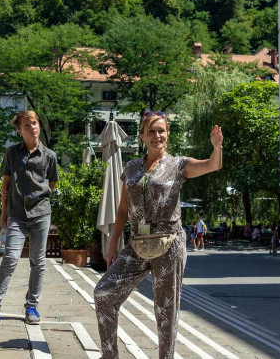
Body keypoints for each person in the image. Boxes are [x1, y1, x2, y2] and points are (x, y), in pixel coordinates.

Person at [94, 113, 223, 359]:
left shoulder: (179, 165)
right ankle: (109, 355)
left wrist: (217, 147)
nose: (157, 136)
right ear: (143, 136)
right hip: (136, 243)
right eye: (151, 131)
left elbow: (212, 165)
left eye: (161, 131)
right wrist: (112, 245)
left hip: (169, 243)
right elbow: (122, 210)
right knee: (104, 292)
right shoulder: (131, 167)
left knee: (166, 309)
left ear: (168, 134)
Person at [0, 111, 58, 327]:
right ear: (19, 131)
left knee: (38, 262)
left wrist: (39, 199)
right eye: (27, 125)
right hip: (16, 214)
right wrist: (3, 211)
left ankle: (32, 306)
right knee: (10, 259)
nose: (32, 127)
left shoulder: (49, 155)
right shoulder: (12, 153)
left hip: (41, 213)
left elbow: (51, 184)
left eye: (34, 123)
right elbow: (5, 182)